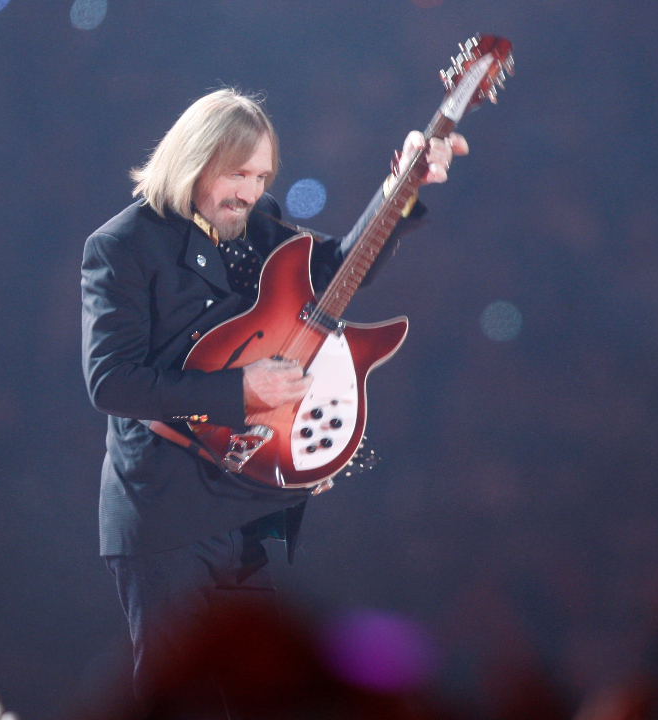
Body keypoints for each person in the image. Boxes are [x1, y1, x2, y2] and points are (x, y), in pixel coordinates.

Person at [80, 88, 465, 701]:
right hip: (165, 513)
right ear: (196, 160)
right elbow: (111, 382)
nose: (252, 192)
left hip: (255, 506)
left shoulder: (260, 227)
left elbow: (339, 269)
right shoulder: (121, 247)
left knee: (264, 699)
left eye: (261, 177)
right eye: (240, 175)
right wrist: (239, 390)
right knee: (185, 701)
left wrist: (401, 191)